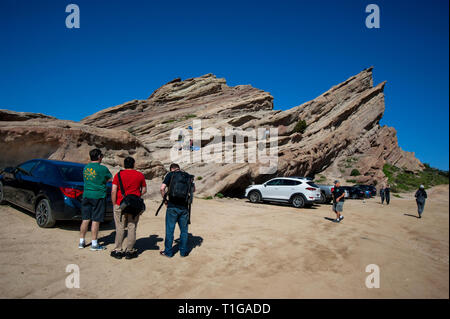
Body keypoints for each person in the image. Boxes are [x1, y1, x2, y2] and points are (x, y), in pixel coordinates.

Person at [110, 157, 147, 259]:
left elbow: (113, 190)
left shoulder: (118, 175)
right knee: (132, 226)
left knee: (120, 227)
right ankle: (129, 251)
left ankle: (118, 250)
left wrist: (114, 203)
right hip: (134, 205)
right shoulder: (139, 175)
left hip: (120, 204)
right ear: (133, 164)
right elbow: (144, 190)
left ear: (124, 164)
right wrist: (136, 196)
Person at [79, 149, 112, 251]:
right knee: (96, 220)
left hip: (86, 195)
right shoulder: (102, 169)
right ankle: (94, 243)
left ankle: (81, 241)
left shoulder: (86, 168)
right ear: (99, 157)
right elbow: (110, 179)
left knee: (85, 219)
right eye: (101, 156)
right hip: (98, 195)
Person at [160, 163, 195, 257]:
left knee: (170, 231)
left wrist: (165, 201)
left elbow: (162, 188)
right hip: (184, 208)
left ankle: (168, 252)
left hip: (172, 206)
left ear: (172, 169)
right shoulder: (188, 176)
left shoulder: (170, 174)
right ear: (179, 168)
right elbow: (193, 190)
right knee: (184, 231)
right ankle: (183, 252)